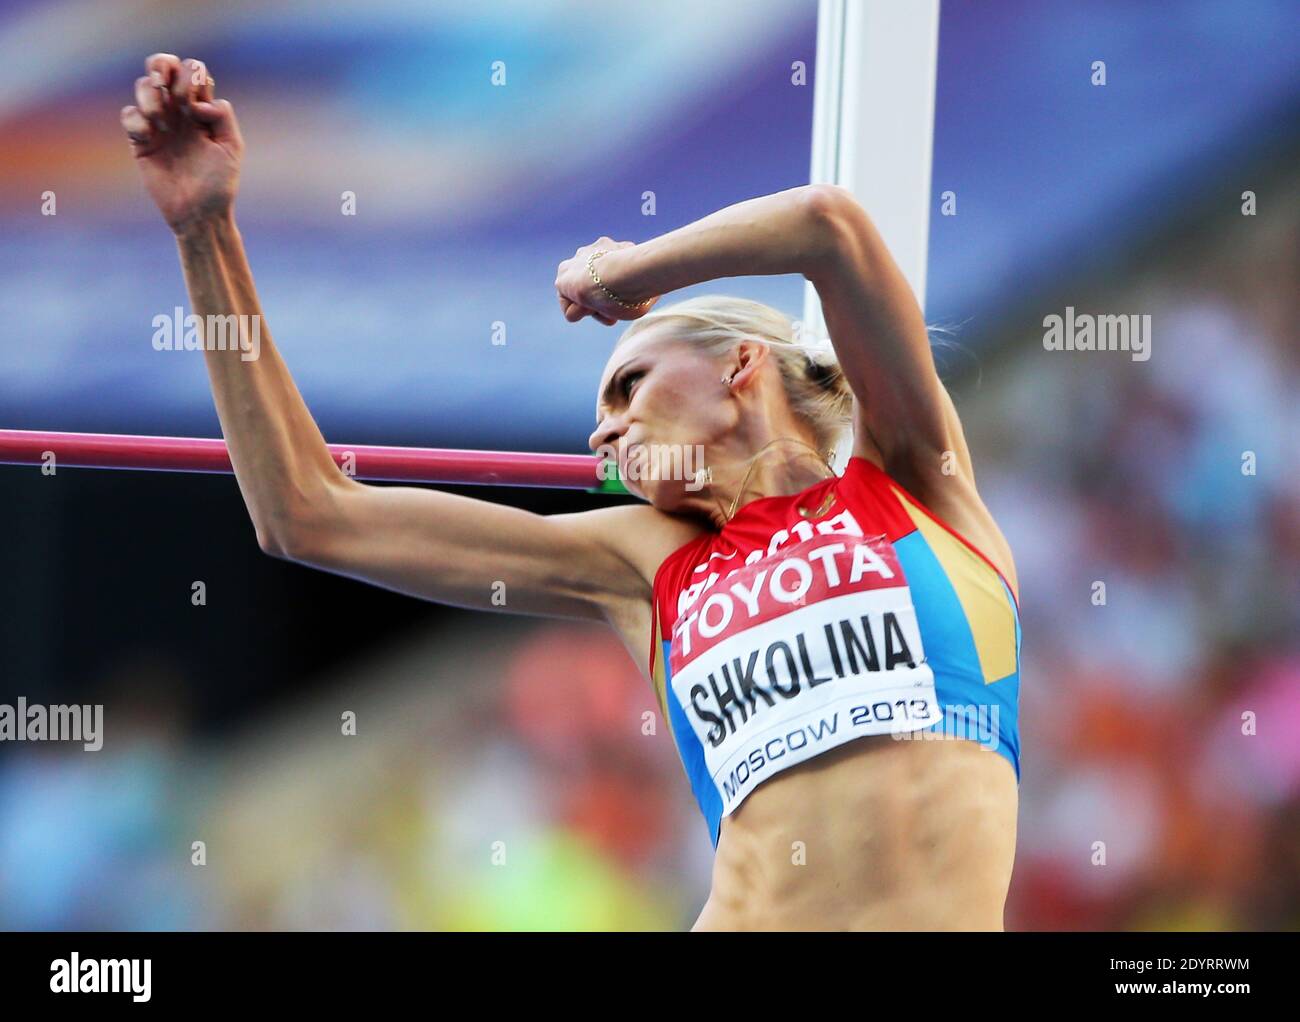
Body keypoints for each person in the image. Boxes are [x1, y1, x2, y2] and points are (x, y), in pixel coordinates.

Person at [121, 54, 1021, 931]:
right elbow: (307, 514)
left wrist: (627, 277)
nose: (603, 433)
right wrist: (205, 231)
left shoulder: (912, 482)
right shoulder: (646, 564)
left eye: (629, 385)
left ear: (741, 365)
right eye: (600, 414)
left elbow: (830, 227)